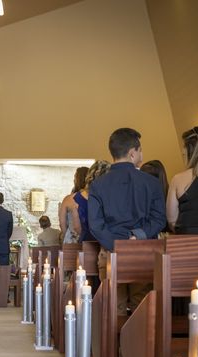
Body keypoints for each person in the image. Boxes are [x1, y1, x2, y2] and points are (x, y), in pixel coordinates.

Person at [88, 128, 166, 314]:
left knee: (114, 309)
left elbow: (95, 224)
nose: (141, 154)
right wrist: (136, 237)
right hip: (144, 252)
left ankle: (113, 344)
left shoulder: (98, 185)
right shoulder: (151, 183)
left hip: (110, 251)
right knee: (142, 309)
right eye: (141, 150)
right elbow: (159, 218)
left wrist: (117, 243)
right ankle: (139, 344)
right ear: (133, 153)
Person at [72, 160, 111, 243]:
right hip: (107, 241)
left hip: (86, 241)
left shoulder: (77, 198)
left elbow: (76, 227)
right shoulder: (111, 197)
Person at [59, 166, 89, 244]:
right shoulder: (94, 198)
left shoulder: (68, 199)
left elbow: (62, 223)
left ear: (76, 180)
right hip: (90, 238)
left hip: (72, 238)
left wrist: (68, 234)